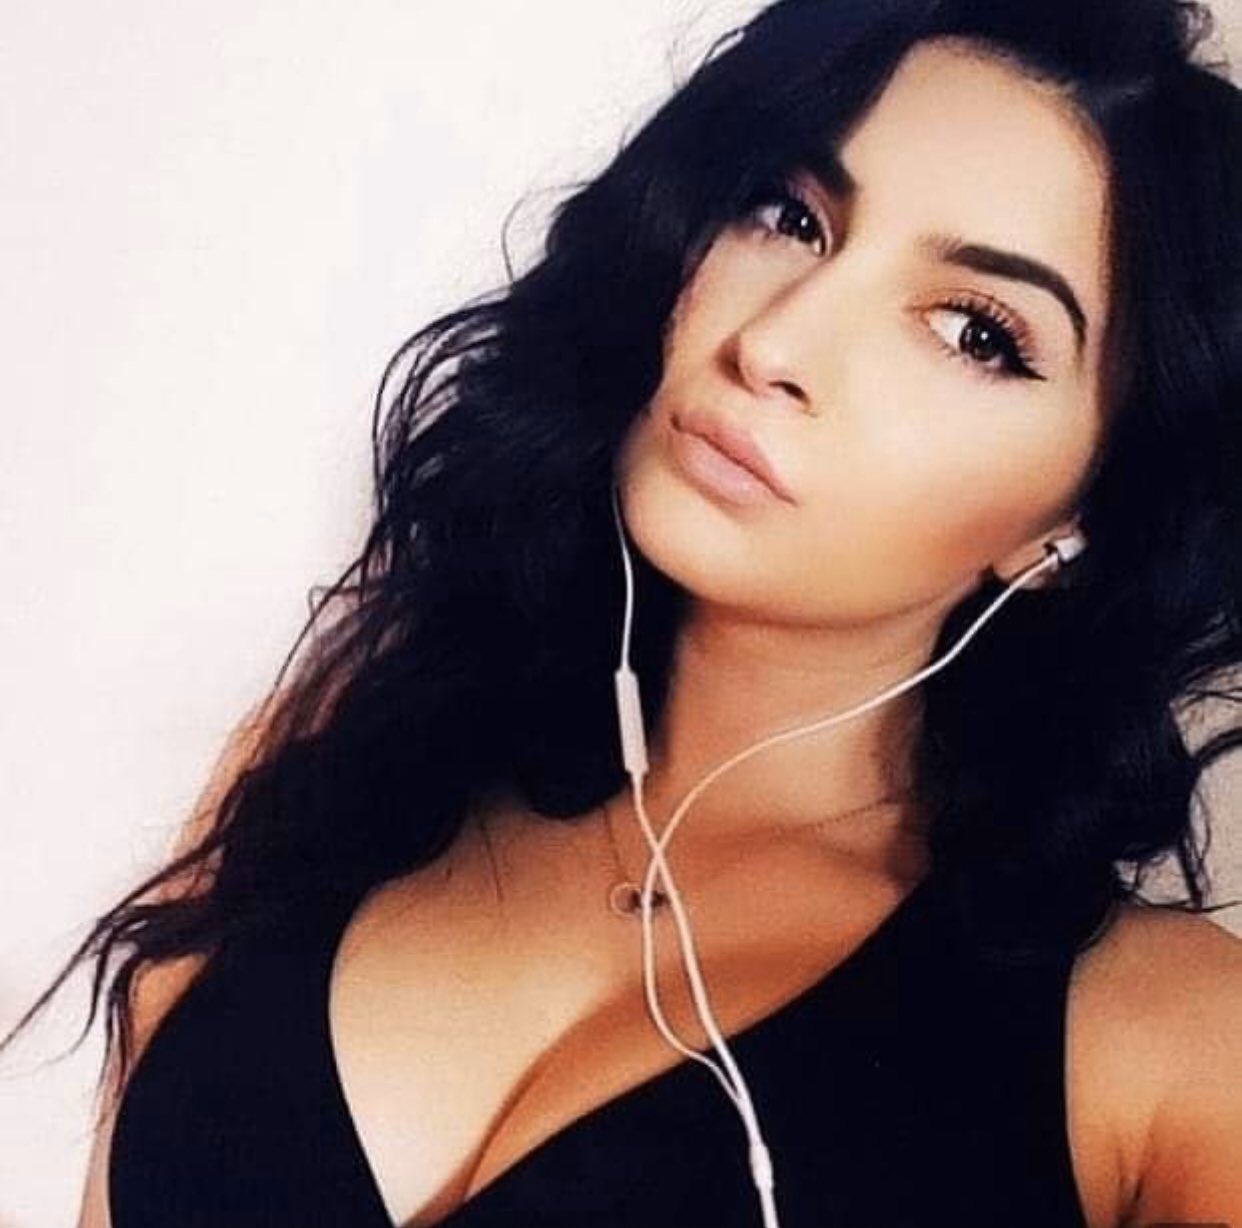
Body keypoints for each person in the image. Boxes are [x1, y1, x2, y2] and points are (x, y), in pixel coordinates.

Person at [6, 0, 1241, 1224]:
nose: (775, 343)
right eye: (789, 216)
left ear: (1086, 514)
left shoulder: (1171, 1053)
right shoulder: (343, 749)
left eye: (975, 332)